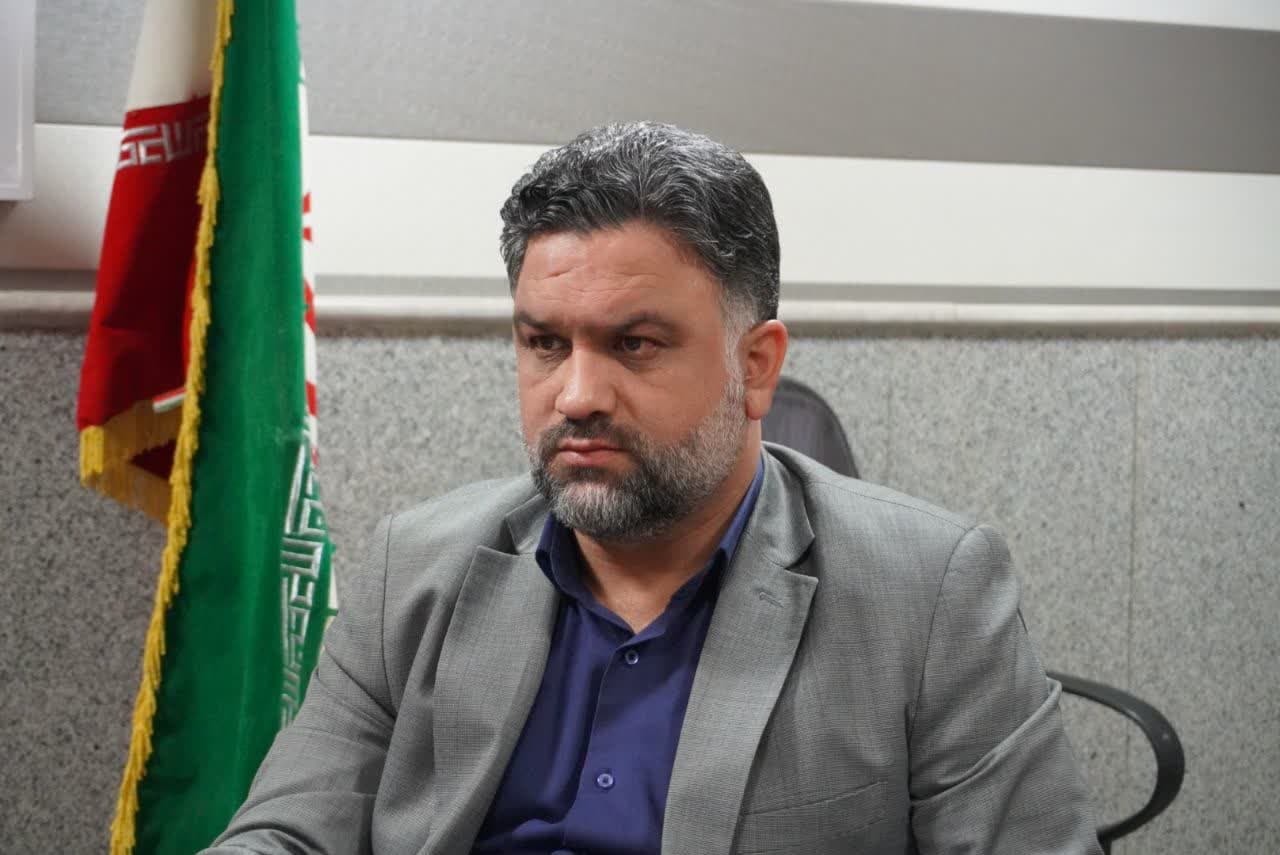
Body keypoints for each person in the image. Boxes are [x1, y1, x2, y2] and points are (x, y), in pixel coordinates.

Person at [205, 122, 1101, 854]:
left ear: (756, 367)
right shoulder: (417, 566)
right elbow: (286, 831)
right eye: (544, 343)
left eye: (634, 344)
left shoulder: (929, 595)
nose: (576, 395)